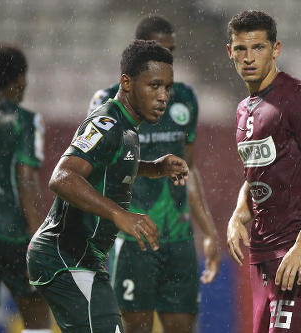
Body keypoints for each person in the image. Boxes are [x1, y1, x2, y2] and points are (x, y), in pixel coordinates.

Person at [27, 40, 190, 332]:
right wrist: (120, 214)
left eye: (167, 87)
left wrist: (155, 168)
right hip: (63, 256)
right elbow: (62, 177)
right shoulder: (106, 122)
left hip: (85, 258)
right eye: (154, 86)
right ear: (126, 83)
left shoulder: (127, 126)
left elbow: (108, 164)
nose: (163, 96)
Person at [88, 15, 220, 333]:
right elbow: (93, 172)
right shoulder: (107, 102)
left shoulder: (185, 99)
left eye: (172, 50)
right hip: (133, 238)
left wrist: (210, 232)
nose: (168, 58)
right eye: (162, 49)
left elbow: (189, 171)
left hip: (178, 239)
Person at [226, 10, 301, 333]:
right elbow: (255, 175)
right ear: (229, 51)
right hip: (262, 254)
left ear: (276, 49)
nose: (249, 58)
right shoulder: (243, 109)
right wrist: (238, 215)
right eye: (241, 49)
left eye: (258, 48)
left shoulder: (300, 99)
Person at [0, 44, 51, 332]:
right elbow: (27, 181)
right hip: (12, 232)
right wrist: (39, 242)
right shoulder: (25, 120)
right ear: (20, 79)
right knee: (36, 315)